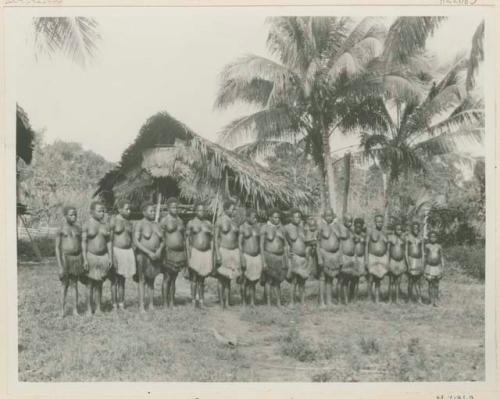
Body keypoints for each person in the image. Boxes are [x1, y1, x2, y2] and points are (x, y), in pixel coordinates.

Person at [55, 205, 86, 317]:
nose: (74, 216)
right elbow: (57, 248)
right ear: (65, 216)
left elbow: (82, 245)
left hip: (76, 258)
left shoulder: (78, 229)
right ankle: (61, 310)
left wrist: (83, 259)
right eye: (71, 214)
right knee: (65, 285)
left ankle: (75, 310)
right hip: (65, 258)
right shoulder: (61, 229)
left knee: (75, 284)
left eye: (75, 214)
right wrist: (60, 266)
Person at [82, 201, 112, 315]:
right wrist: (84, 259)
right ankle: (89, 309)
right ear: (92, 212)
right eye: (99, 211)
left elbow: (108, 242)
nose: (102, 213)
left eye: (103, 211)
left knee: (99, 284)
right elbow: (83, 243)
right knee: (89, 284)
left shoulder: (105, 225)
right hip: (91, 256)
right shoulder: (86, 225)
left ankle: (98, 308)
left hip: (103, 257)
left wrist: (110, 258)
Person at [133, 202, 164, 312]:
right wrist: (148, 252)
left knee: (152, 280)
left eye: (154, 211)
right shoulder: (140, 224)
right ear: (144, 212)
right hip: (143, 256)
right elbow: (136, 241)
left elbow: (162, 241)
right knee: (142, 280)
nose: (153, 213)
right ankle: (141, 305)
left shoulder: (156, 225)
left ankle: (151, 304)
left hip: (155, 256)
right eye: (151, 211)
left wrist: (159, 250)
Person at [109, 199, 136, 310]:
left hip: (127, 252)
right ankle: (114, 304)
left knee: (122, 280)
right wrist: (112, 256)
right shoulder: (114, 220)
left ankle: (121, 303)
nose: (129, 211)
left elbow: (132, 240)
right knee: (114, 280)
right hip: (116, 251)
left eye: (130, 209)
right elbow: (109, 240)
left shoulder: (129, 222)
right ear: (120, 210)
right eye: (126, 209)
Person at [160, 197, 187, 308]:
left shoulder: (180, 220)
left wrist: (185, 252)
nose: (175, 209)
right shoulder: (164, 220)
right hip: (168, 252)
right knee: (167, 278)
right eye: (173, 207)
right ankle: (165, 303)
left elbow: (184, 238)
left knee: (174, 279)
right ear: (168, 208)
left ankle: (172, 302)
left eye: (177, 207)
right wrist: (162, 252)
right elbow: (160, 237)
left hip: (179, 253)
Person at [186, 202, 213, 308]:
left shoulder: (208, 224)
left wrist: (212, 254)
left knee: (202, 278)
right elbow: (187, 240)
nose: (202, 212)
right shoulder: (191, 223)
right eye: (200, 210)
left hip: (206, 253)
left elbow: (211, 240)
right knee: (193, 277)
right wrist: (189, 255)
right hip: (195, 252)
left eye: (204, 210)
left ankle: (201, 301)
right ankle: (193, 301)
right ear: (195, 211)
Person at [214, 200, 240, 308]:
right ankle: (221, 302)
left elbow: (237, 239)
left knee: (229, 278)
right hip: (223, 250)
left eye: (235, 209)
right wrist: (217, 254)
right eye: (232, 209)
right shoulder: (219, 221)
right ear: (226, 209)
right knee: (221, 278)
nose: (235, 211)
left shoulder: (234, 222)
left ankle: (228, 302)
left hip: (233, 252)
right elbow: (216, 239)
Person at [260, 209, 288, 307]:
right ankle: (268, 302)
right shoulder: (265, 228)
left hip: (279, 258)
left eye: (278, 217)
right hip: (269, 257)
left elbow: (285, 245)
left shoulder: (282, 229)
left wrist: (285, 258)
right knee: (269, 280)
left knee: (277, 281)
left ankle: (278, 302)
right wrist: (263, 261)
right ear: (270, 218)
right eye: (275, 217)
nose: (277, 219)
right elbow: (261, 246)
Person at [316, 208, 343, 307]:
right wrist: (319, 258)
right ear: (324, 216)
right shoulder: (321, 227)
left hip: (334, 255)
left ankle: (329, 301)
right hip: (324, 254)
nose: (329, 217)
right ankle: (321, 301)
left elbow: (340, 243)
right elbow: (317, 243)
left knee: (330, 279)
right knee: (322, 278)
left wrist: (340, 257)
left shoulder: (337, 226)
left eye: (330, 215)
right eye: (327, 215)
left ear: (333, 216)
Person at [284, 209, 310, 306]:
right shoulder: (287, 228)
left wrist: (307, 252)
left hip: (303, 258)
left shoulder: (303, 228)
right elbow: (284, 240)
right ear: (291, 217)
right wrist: (287, 251)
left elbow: (307, 241)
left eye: (299, 216)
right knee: (294, 281)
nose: (297, 218)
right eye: (295, 216)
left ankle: (303, 301)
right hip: (294, 257)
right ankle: (292, 301)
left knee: (302, 281)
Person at [238, 208, 262, 307]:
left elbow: (260, 244)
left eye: (256, 217)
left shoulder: (257, 228)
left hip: (256, 257)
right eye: (253, 217)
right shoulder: (242, 227)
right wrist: (242, 257)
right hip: (246, 256)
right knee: (244, 280)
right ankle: (243, 302)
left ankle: (252, 302)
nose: (255, 219)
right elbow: (239, 244)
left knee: (253, 281)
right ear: (247, 217)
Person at [365, 214, 389, 303]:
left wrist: (387, 260)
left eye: (381, 222)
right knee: (370, 278)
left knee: (378, 278)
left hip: (382, 258)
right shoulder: (370, 232)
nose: (380, 223)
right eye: (378, 221)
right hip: (372, 256)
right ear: (375, 222)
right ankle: (369, 298)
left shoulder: (384, 233)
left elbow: (387, 248)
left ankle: (377, 298)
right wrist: (366, 259)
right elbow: (366, 246)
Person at [338, 214, 356, 304]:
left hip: (351, 257)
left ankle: (350, 297)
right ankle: (344, 299)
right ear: (344, 221)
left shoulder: (352, 230)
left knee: (351, 278)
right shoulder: (341, 229)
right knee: (344, 279)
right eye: (347, 221)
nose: (349, 223)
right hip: (344, 256)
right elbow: (340, 244)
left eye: (351, 221)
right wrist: (340, 257)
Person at [387, 223, 406, 304]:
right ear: (394, 230)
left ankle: (397, 299)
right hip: (392, 261)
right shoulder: (391, 238)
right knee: (391, 281)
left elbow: (405, 251)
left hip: (400, 262)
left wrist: (404, 262)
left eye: (401, 230)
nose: (399, 231)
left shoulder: (403, 239)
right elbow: (388, 250)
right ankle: (390, 299)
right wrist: (387, 262)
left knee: (398, 282)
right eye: (398, 229)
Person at [406, 221, 424, 303]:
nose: (415, 229)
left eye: (417, 228)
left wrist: (422, 262)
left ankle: (419, 298)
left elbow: (423, 251)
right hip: (411, 260)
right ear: (412, 229)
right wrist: (408, 263)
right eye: (414, 228)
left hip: (418, 260)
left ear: (419, 229)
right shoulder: (408, 238)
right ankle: (409, 298)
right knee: (410, 280)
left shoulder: (421, 238)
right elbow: (406, 251)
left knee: (418, 281)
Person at [424, 231, 444, 307]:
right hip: (429, 267)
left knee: (436, 284)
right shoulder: (427, 246)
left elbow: (441, 257)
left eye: (434, 237)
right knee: (430, 284)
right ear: (429, 238)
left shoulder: (439, 246)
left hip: (437, 267)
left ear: (437, 238)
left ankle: (436, 300)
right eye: (431, 237)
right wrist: (424, 267)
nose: (433, 238)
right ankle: (430, 300)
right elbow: (425, 257)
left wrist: (443, 267)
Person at [351, 217, 367, 302]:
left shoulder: (364, 235)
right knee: (352, 277)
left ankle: (355, 296)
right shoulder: (352, 235)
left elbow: (365, 247)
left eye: (359, 227)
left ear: (362, 227)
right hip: (354, 257)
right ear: (354, 226)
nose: (358, 228)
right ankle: (350, 294)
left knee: (357, 278)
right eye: (356, 227)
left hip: (361, 258)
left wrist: (365, 259)